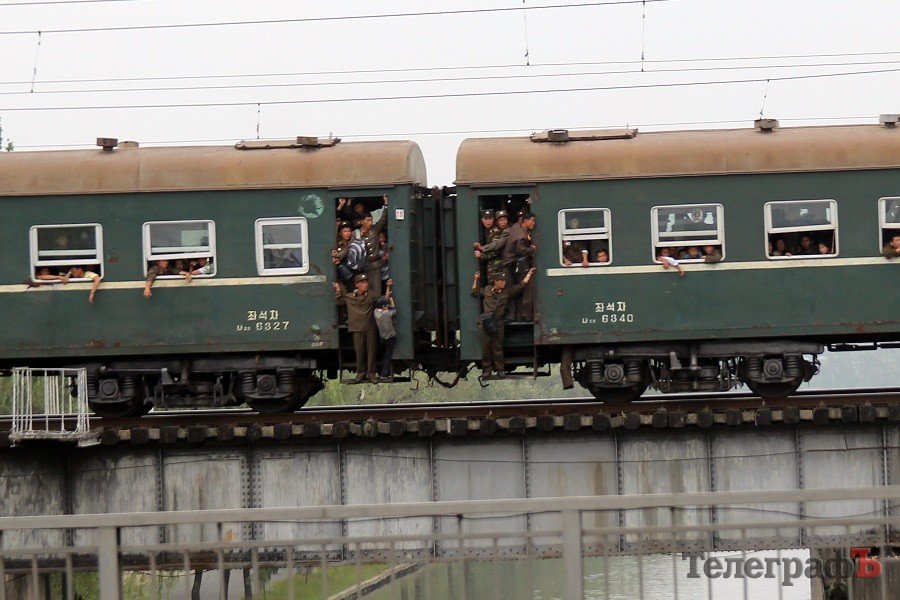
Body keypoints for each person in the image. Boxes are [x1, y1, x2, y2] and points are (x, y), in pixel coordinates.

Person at [471, 268, 535, 377]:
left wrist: (528, 274)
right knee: (486, 347)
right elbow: (474, 291)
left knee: (497, 347)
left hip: (497, 322)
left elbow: (520, 286)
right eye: (502, 281)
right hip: (486, 322)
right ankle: (487, 369)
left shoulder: (506, 293)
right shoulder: (487, 289)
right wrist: (475, 279)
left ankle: (500, 369)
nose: (504, 283)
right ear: (496, 281)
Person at [333, 274, 379, 384]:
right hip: (357, 328)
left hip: (370, 327)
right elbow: (339, 301)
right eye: (362, 283)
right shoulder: (350, 297)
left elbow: (382, 300)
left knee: (371, 352)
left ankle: (371, 373)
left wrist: (389, 288)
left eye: (366, 282)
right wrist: (338, 290)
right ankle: (360, 373)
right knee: (360, 352)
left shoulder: (372, 295)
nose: (365, 284)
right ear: (357, 285)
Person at [502, 212, 537, 320]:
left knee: (513, 290)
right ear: (526, 221)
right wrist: (533, 248)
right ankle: (525, 315)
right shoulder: (522, 236)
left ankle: (513, 316)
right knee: (526, 287)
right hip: (514, 264)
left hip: (509, 263)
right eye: (532, 221)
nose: (534, 224)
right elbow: (521, 250)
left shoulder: (516, 226)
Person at [354, 194, 389, 296]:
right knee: (365, 291)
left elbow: (382, 219)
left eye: (371, 220)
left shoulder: (374, 230)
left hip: (375, 265)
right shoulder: (356, 233)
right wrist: (338, 255)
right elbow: (349, 248)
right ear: (362, 221)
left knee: (376, 292)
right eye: (368, 220)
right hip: (363, 266)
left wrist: (386, 204)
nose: (370, 222)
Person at [475, 209, 509, 277]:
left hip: (497, 265)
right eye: (485, 219)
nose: (488, 221)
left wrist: (482, 255)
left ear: (493, 219)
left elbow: (496, 249)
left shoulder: (496, 231)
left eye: (490, 219)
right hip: (491, 264)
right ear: (482, 219)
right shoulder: (485, 230)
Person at [373, 281, 397, 381]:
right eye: (386, 306)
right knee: (388, 355)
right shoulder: (386, 314)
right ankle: (383, 374)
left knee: (383, 353)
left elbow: (384, 302)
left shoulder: (376, 312)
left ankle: (379, 372)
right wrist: (391, 300)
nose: (388, 306)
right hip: (390, 337)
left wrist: (387, 289)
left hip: (382, 337)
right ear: (384, 307)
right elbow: (394, 310)